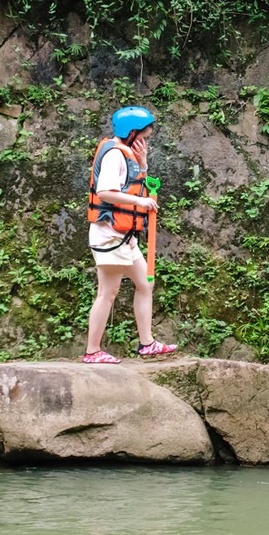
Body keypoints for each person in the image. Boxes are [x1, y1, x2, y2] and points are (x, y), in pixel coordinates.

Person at [83, 105, 179, 364]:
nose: (145, 140)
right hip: (110, 234)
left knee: (145, 283)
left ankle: (146, 343)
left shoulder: (125, 151)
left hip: (123, 236)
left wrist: (144, 164)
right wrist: (142, 204)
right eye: (144, 136)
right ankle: (92, 351)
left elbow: (135, 183)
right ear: (131, 133)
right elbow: (105, 192)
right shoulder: (115, 154)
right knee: (108, 291)